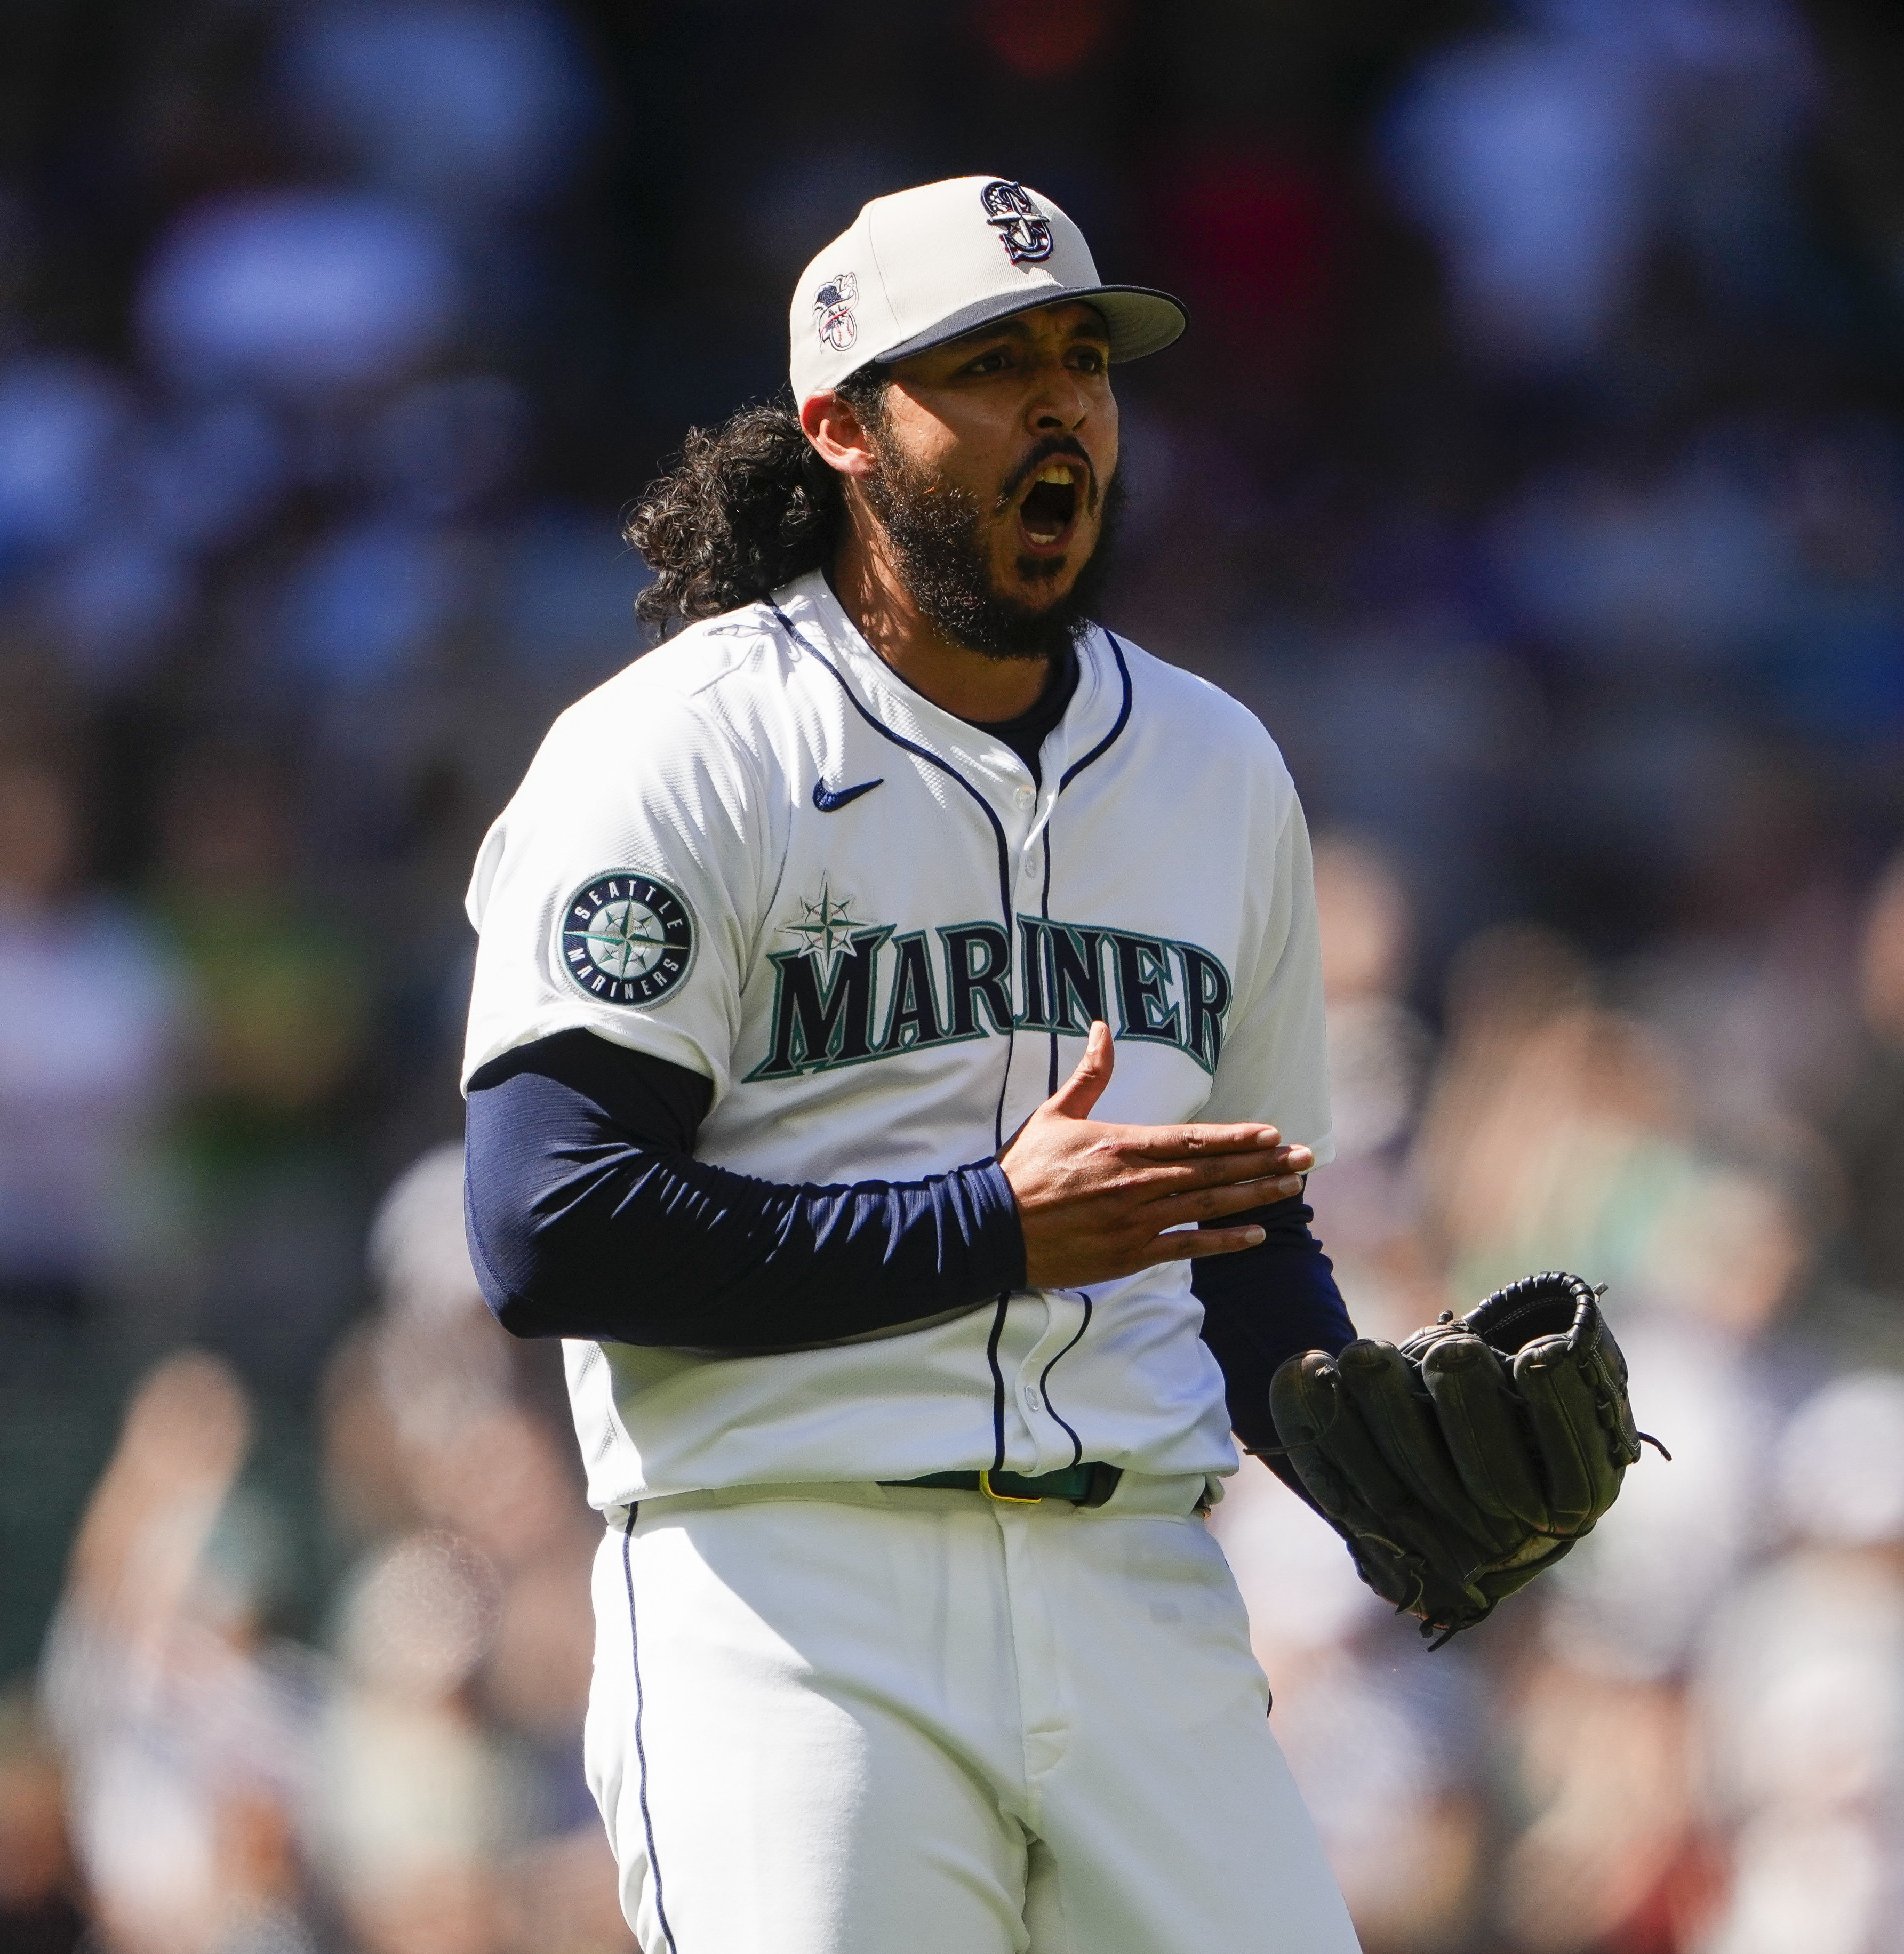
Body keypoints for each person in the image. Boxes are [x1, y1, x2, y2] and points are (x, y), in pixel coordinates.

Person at [457, 176, 1361, 1953]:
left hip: (1141, 1596)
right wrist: (990, 1231)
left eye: (1085, 361)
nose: (1060, 409)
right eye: (990, 364)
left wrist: (1366, 1443)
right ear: (844, 428)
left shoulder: (1216, 766)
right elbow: (549, 1224)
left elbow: (1238, 1228)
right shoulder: (676, 753)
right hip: (792, 1597)